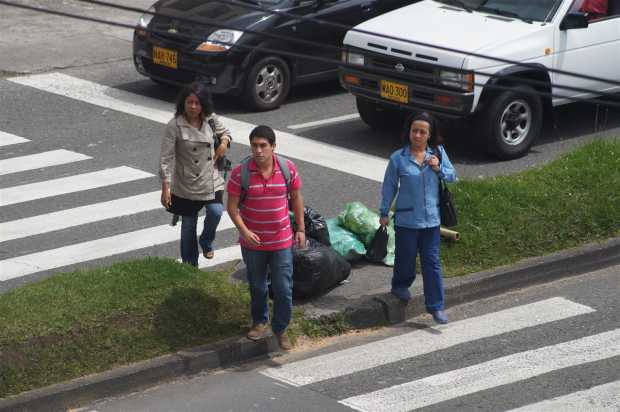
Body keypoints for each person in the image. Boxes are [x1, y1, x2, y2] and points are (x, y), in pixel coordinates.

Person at [226, 125, 305, 351]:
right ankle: (260, 321)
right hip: (253, 244)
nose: (258, 150)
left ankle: (280, 328)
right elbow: (232, 208)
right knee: (258, 286)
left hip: (281, 241)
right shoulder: (240, 173)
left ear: (273, 147)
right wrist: (245, 232)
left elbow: (297, 198)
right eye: (254, 146)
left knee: (283, 287)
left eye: (263, 146)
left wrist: (300, 229)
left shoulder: (287, 168)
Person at [379, 112, 456, 324]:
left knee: (432, 263)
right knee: (406, 259)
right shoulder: (398, 158)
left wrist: (438, 168)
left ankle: (436, 306)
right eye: (415, 131)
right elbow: (389, 186)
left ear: (430, 135)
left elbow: (452, 176)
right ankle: (400, 285)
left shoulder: (438, 153)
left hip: (431, 220)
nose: (418, 135)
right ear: (409, 132)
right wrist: (384, 212)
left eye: (423, 132)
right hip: (407, 220)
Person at [159, 82, 232, 266]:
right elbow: (166, 159)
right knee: (188, 226)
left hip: (210, 179)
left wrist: (224, 142)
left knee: (216, 212)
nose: (193, 107)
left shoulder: (211, 119)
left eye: (197, 103)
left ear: (203, 105)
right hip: (186, 184)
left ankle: (206, 241)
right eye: (189, 102)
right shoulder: (174, 126)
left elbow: (226, 132)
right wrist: (166, 187)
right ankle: (189, 266)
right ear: (183, 103)